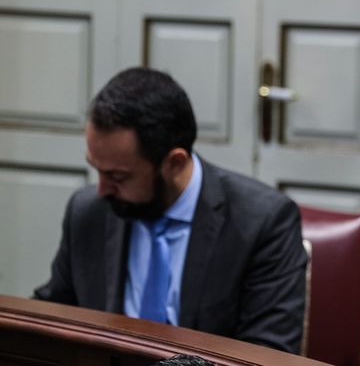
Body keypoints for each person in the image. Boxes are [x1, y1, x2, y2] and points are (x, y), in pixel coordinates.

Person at [33, 67, 307, 354]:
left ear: (174, 163)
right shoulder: (88, 211)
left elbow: (267, 353)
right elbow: (49, 321)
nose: (102, 190)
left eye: (118, 177)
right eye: (97, 170)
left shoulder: (262, 222)